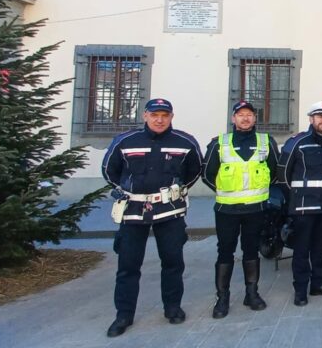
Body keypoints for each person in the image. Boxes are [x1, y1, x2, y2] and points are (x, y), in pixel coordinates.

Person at [101, 98, 202, 337]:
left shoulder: (184, 142)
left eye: (164, 115)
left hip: (169, 211)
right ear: (145, 115)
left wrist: (174, 191)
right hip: (133, 211)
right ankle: (124, 314)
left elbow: (194, 170)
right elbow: (109, 170)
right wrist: (127, 189)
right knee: (128, 265)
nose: (159, 119)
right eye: (154, 115)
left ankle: (173, 308)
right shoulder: (126, 141)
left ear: (171, 117)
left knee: (173, 262)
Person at [201, 101, 278, 318]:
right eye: (241, 115)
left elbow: (274, 171)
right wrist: (227, 189)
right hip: (227, 210)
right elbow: (207, 173)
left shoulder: (266, 142)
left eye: (249, 115)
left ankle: (251, 294)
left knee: (251, 250)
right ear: (233, 119)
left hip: (256, 209)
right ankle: (222, 298)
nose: (245, 118)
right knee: (225, 252)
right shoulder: (220, 143)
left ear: (255, 118)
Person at [279, 101, 322, 307]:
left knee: (320, 247)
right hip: (304, 205)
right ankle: (300, 290)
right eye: (319, 116)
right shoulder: (298, 141)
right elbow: (283, 174)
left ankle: (319, 284)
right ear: (311, 119)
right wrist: (296, 197)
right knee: (302, 249)